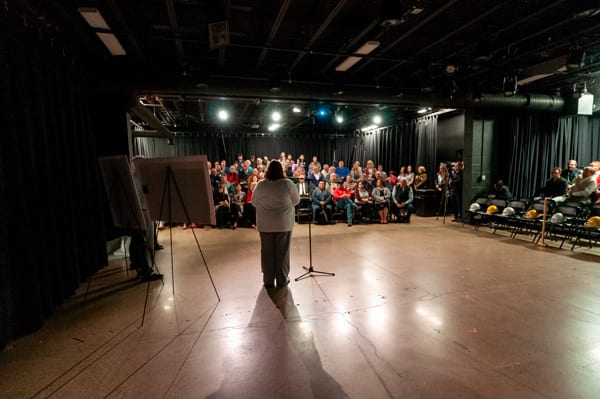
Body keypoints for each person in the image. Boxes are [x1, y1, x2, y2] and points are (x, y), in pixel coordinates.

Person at [252, 160, 300, 289]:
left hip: (265, 225)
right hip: (283, 224)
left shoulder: (261, 185)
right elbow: (296, 201)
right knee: (282, 253)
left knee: (267, 253)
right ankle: (282, 279)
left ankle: (268, 280)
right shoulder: (288, 184)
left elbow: (254, 202)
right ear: (281, 170)